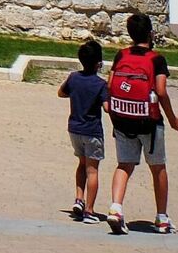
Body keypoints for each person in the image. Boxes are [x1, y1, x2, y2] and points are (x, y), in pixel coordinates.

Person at [105, 11, 178, 235]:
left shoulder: (121, 55)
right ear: (150, 33)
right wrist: (172, 118)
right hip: (148, 121)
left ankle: (116, 208)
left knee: (124, 165)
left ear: (130, 34)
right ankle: (161, 217)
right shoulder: (157, 59)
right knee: (158, 168)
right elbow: (160, 91)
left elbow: (110, 83)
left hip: (122, 118)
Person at [58, 39, 109, 223]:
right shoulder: (100, 84)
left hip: (75, 129)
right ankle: (89, 210)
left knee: (81, 164)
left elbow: (61, 93)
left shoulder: (73, 78)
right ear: (99, 63)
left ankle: (79, 199)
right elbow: (107, 107)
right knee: (92, 170)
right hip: (92, 131)